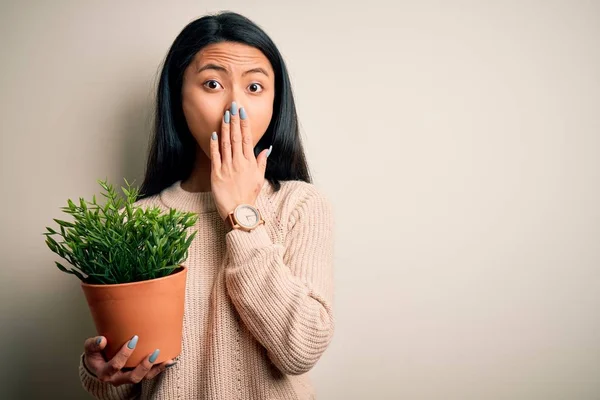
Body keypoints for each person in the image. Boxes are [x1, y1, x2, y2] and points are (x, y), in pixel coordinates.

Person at [78, 10, 335, 400]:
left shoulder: (299, 204)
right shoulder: (135, 220)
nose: (237, 108)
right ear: (178, 98)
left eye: (255, 88)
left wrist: (241, 214)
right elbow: (125, 379)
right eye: (212, 84)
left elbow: (300, 350)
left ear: (275, 101)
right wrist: (100, 372)